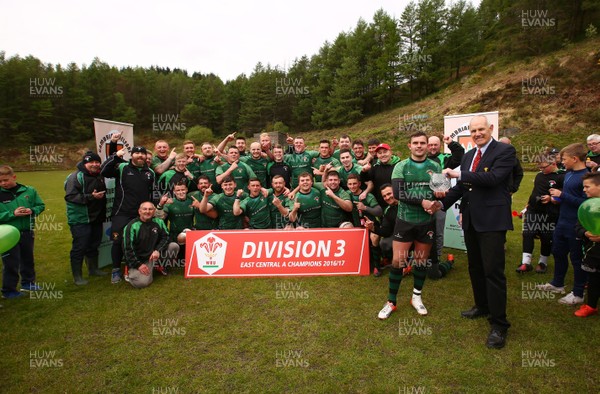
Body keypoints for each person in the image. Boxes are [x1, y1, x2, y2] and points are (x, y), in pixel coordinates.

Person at [433, 115, 516, 349]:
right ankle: (482, 306)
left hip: (492, 221)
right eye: (474, 130)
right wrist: (440, 204)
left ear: (490, 129)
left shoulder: (504, 151)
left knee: (493, 272)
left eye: (481, 129)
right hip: (470, 220)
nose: (478, 133)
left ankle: (499, 324)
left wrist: (458, 173)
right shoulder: (469, 155)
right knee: (475, 267)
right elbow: (461, 188)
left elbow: (493, 178)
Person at [377, 132, 441, 319]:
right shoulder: (401, 166)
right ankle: (391, 302)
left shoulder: (435, 166)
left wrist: (437, 202)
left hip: (426, 222)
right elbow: (399, 193)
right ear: (409, 146)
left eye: (423, 143)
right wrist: (423, 202)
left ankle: (416, 297)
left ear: (428, 146)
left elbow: (440, 191)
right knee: (398, 262)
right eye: (415, 143)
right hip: (405, 221)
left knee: (420, 261)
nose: (419, 146)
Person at [537, 143, 588, 305]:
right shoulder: (568, 173)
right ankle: (557, 284)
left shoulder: (586, 177)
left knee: (576, 259)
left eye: (564, 159)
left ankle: (578, 293)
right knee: (558, 252)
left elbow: (586, 203)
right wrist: (556, 198)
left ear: (575, 158)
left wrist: (562, 195)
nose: (561, 162)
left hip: (576, 225)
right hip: (562, 222)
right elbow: (567, 197)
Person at [101, 146, 155, 284]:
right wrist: (115, 156)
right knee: (117, 241)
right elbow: (104, 171)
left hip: (141, 214)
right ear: (132, 155)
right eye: (137, 153)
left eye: (142, 153)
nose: (140, 156)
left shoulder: (150, 173)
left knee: (139, 240)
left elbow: (151, 194)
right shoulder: (123, 167)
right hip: (122, 213)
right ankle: (116, 270)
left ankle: (133, 266)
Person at [0, 165, 45, 298]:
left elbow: (40, 205)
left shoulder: (29, 190)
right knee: (11, 263)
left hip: (27, 231)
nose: (3, 183)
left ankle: (28, 283)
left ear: (14, 177)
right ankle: (9, 290)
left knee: (28, 259)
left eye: (5, 180)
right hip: (7, 235)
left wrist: (32, 211)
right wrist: (12, 213)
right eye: (0, 181)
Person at [515, 149, 563, 273]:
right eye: (539, 167)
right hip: (533, 210)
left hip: (549, 212)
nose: (541, 169)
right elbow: (535, 191)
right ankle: (526, 262)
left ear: (553, 164)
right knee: (528, 233)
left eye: (543, 167)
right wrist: (527, 205)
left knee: (546, 237)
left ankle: (543, 262)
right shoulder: (539, 175)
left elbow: (564, 195)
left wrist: (552, 199)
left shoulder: (561, 176)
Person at [64, 151, 108, 285]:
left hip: (96, 218)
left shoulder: (99, 175)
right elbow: (70, 197)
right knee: (80, 247)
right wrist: (91, 197)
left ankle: (93, 269)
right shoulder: (75, 177)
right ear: (85, 163)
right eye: (91, 162)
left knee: (94, 244)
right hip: (80, 219)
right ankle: (77, 276)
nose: (95, 165)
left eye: (97, 162)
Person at [427, 135, 465, 263]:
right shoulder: (421, 159)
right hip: (423, 201)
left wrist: (451, 143)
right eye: (430, 144)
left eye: (435, 145)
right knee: (423, 232)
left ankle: (436, 258)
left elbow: (460, 156)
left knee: (438, 232)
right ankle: (423, 256)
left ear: (440, 145)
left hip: (440, 202)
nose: (432, 147)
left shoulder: (445, 158)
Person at [122, 202, 175, 289]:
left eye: (150, 209)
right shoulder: (131, 226)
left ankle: (159, 266)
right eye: (145, 209)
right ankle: (130, 271)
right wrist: (138, 265)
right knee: (142, 283)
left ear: (154, 211)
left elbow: (166, 237)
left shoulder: (159, 222)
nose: (148, 211)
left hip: (153, 255)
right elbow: (127, 248)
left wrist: (158, 250)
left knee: (173, 246)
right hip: (140, 260)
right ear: (139, 211)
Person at [574, 170, 600, 317]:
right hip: (593, 252)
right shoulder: (587, 206)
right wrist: (585, 233)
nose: (584, 190)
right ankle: (591, 305)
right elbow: (578, 226)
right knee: (594, 278)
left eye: (587, 187)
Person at [364, 184, 397, 276]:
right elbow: (386, 232)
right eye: (384, 196)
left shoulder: (408, 203)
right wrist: (373, 228)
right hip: (400, 238)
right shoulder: (388, 211)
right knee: (384, 243)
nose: (387, 197)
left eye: (389, 194)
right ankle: (381, 264)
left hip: (416, 235)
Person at [361, 143, 401, 209]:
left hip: (398, 203)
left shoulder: (399, 165)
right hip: (382, 203)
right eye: (380, 153)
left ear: (390, 152)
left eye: (385, 152)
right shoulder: (375, 166)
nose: (383, 155)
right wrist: (364, 171)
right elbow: (366, 179)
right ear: (377, 155)